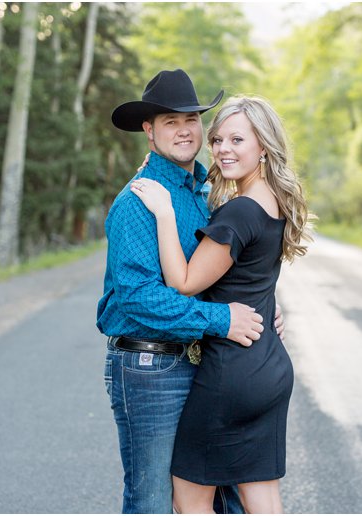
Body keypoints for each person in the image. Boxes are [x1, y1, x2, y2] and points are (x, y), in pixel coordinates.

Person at [129, 95, 311, 513]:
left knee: (190, 499)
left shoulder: (240, 212)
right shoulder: (271, 201)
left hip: (231, 374)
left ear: (262, 146)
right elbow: (252, 275)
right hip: (268, 366)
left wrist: (163, 212)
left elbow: (185, 282)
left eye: (237, 139)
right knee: (259, 494)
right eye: (217, 139)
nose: (224, 148)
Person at [98, 69, 266, 514]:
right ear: (149, 133)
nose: (184, 129)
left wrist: (261, 307)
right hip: (150, 368)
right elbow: (137, 297)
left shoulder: (207, 190)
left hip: (206, 364)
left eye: (191, 119)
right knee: (152, 499)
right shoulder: (137, 201)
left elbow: (223, 265)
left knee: (218, 492)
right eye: (170, 121)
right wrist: (223, 319)